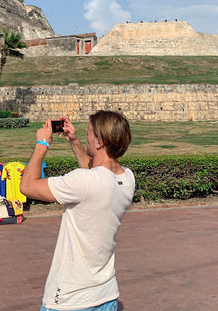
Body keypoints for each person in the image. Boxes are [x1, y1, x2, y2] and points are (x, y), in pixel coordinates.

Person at [20, 111, 135, 311]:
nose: (86, 137)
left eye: (88, 133)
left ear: (99, 142)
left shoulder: (83, 181)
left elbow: (27, 186)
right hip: (106, 295)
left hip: (70, 299)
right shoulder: (127, 178)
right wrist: (73, 140)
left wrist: (42, 144)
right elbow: (96, 170)